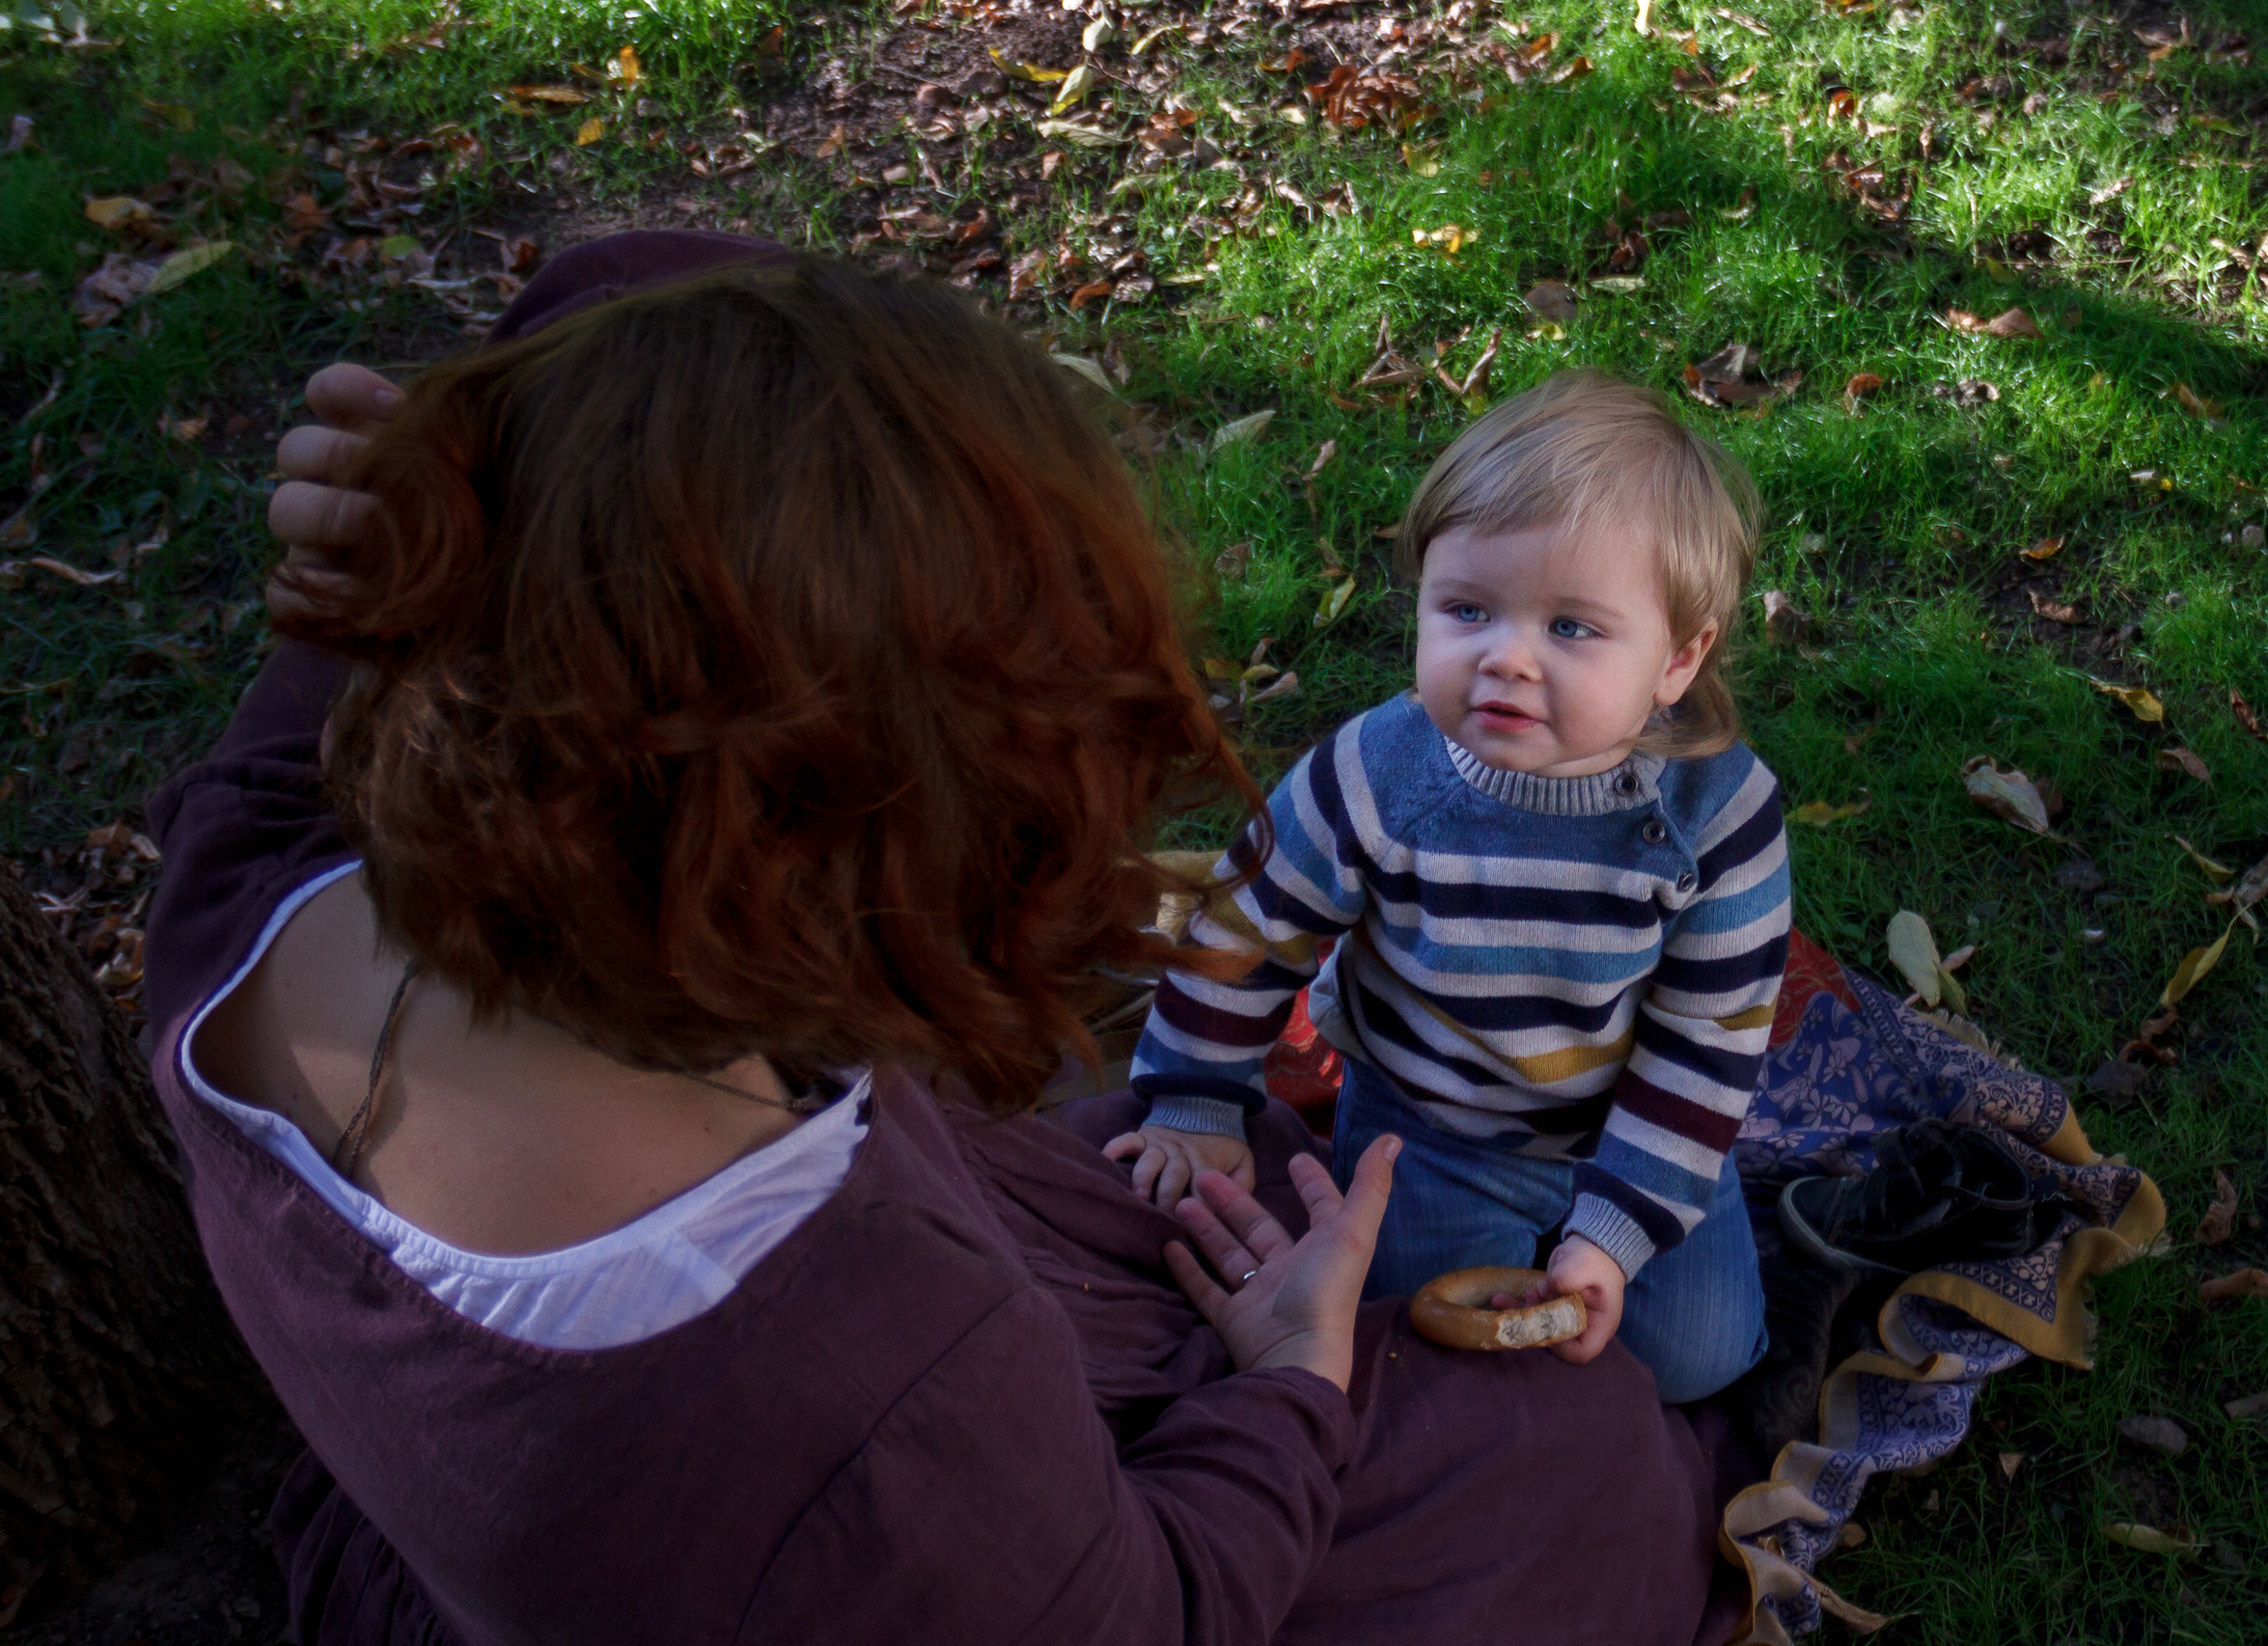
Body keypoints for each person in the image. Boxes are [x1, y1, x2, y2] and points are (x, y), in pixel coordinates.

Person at [148, 234, 1752, 1645]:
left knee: (1254, 1179)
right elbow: (1153, 1612)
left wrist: (442, 476)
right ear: (851, 836)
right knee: (1586, 1459)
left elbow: (618, 278)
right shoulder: (860, 1372)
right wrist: (1289, 1383)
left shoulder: (260, 868)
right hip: (977, 1539)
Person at [1107, 372, 1788, 1402]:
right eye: (1466, 608)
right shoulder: (1379, 775)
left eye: (1571, 628)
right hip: (1429, 1120)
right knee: (1417, 1348)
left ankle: (1644, 1228)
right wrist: (1198, 1097)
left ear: (1676, 659)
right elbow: (1247, 925)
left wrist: (1613, 1229)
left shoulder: (1716, 815)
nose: (1505, 657)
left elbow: (1708, 1041)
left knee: (1697, 1362)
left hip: (1625, 1123)